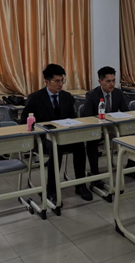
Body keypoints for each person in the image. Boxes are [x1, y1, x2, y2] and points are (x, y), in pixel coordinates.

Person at [20, 64, 92, 203]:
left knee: (79, 146)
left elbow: (72, 118)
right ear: (47, 82)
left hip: (63, 136)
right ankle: (51, 189)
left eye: (62, 80)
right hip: (43, 139)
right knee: (55, 147)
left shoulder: (66, 96)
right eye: (57, 81)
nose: (60, 84)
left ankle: (80, 185)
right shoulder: (35, 98)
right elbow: (24, 122)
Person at [82, 66, 129, 191]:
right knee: (92, 143)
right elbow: (87, 117)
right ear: (100, 81)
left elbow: (126, 112)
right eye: (108, 81)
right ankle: (95, 174)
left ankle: (132, 167)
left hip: (113, 128)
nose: (112, 84)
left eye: (113, 80)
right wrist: (103, 129)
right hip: (97, 129)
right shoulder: (92, 95)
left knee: (132, 133)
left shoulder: (118, 93)